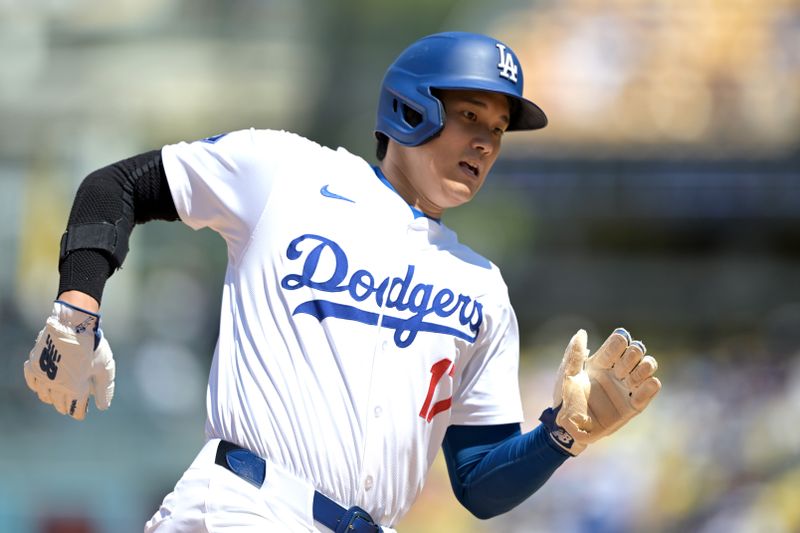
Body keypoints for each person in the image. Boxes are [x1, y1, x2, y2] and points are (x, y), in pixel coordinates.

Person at [23, 31, 661, 532]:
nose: (486, 143)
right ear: (412, 108)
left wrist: (561, 436)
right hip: (247, 507)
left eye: (497, 130)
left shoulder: (483, 288)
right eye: (471, 115)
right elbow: (117, 185)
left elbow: (477, 485)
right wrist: (78, 309)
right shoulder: (286, 171)